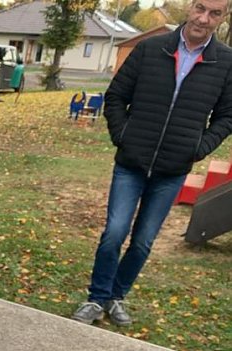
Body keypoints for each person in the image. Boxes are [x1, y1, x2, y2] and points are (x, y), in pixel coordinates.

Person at [72, 0, 232, 326]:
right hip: (131, 163)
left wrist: (198, 148)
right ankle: (97, 298)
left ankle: (116, 296)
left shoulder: (226, 62)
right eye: (200, 8)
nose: (204, 18)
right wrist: (123, 135)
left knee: (143, 241)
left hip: (172, 171)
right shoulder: (151, 48)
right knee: (114, 234)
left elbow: (227, 116)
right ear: (190, 7)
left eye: (214, 13)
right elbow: (116, 96)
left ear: (223, 16)